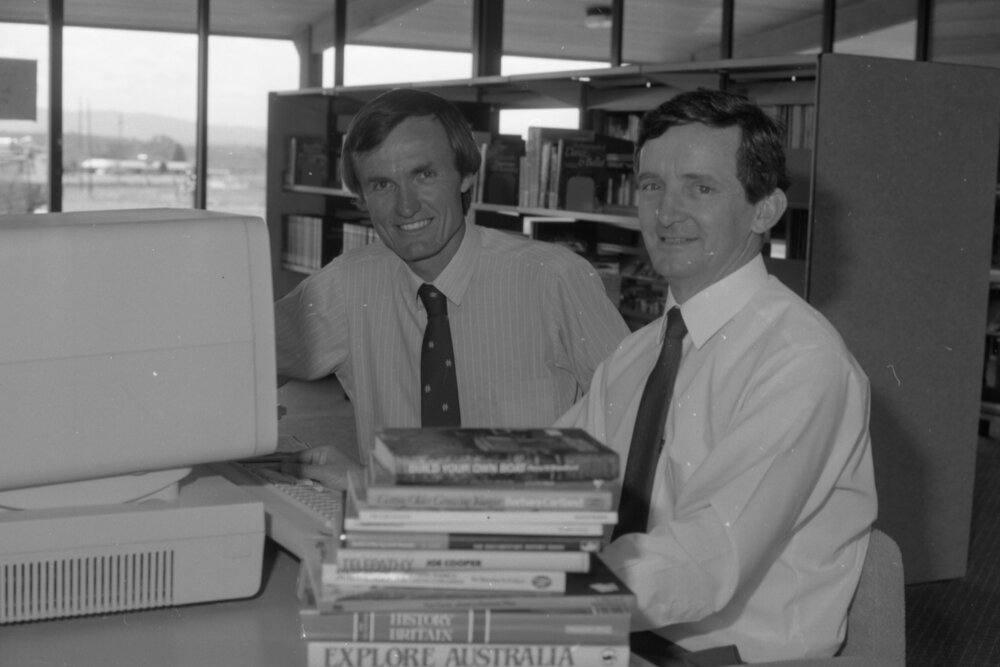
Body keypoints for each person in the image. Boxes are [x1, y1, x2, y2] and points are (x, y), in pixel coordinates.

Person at [555, 89, 877, 664]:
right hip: (621, 635)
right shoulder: (639, 352)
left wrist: (530, 598)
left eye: (700, 188)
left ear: (764, 211)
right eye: (651, 186)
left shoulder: (801, 361)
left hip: (723, 656)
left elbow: (706, 557)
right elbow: (556, 475)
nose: (666, 213)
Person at [274, 88, 629, 484]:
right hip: (392, 521)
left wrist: (375, 482)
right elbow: (247, 356)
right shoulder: (347, 285)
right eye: (381, 185)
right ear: (361, 197)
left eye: (424, 175)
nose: (406, 206)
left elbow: (641, 422)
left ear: (467, 175)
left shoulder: (554, 279)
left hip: (527, 521)